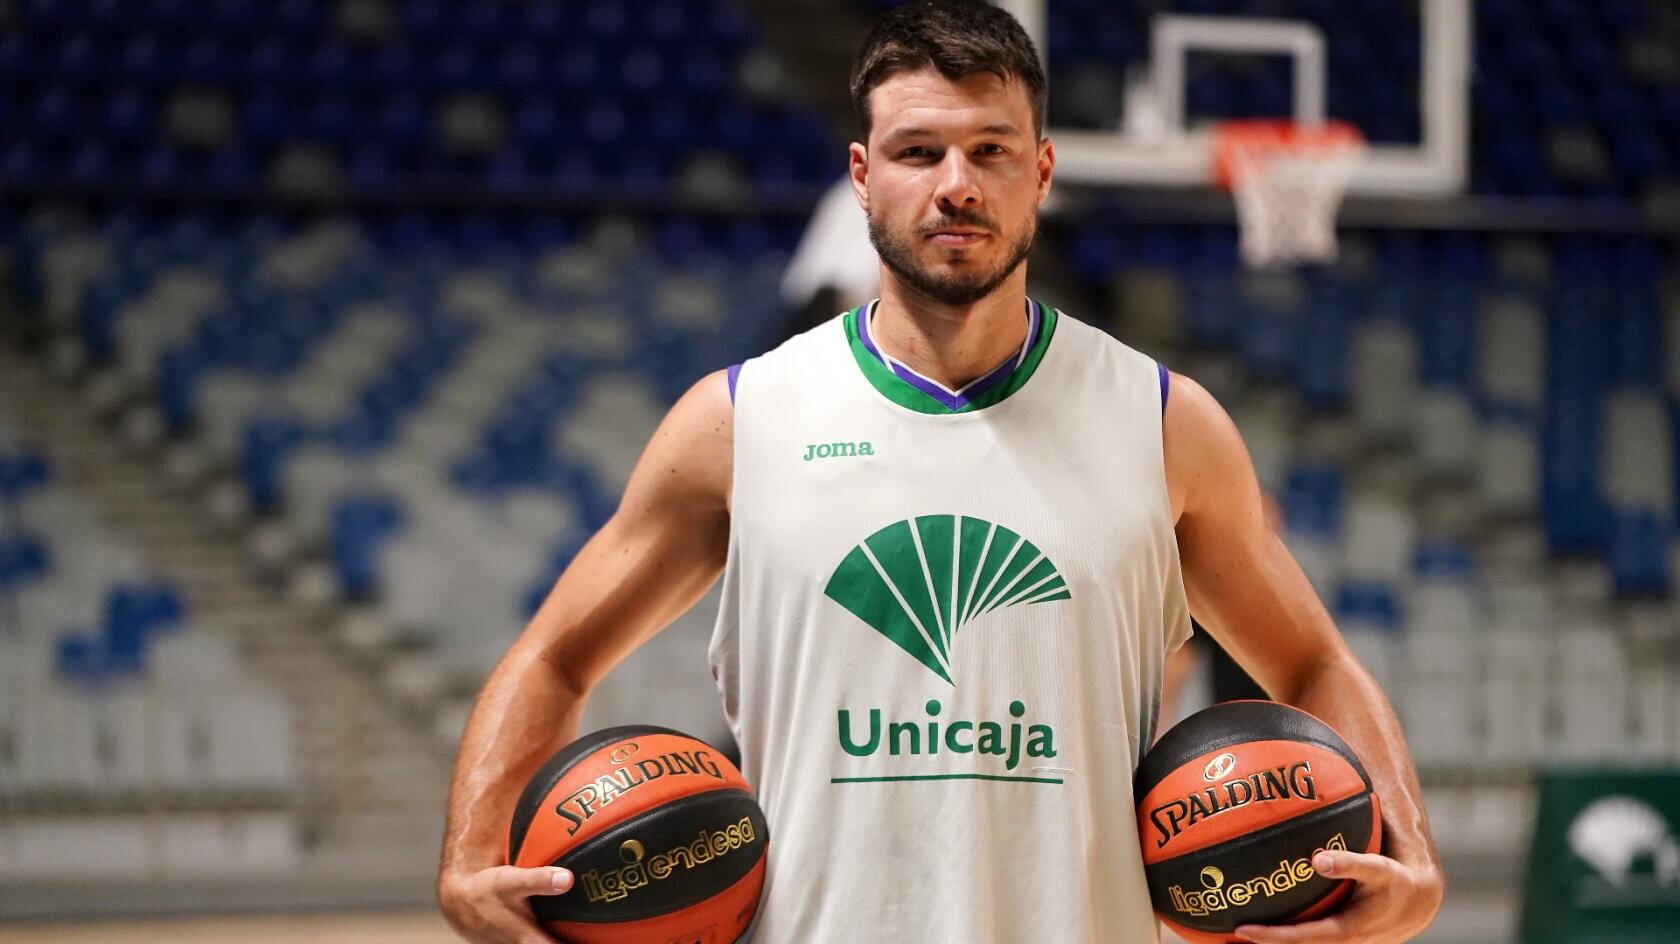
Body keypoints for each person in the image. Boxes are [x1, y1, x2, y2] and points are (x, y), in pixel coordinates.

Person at [436, 3, 1444, 942]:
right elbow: (555, 655)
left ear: (1040, 172)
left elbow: (1312, 664)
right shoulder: (736, 421)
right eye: (918, 151)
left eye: (990, 151)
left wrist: (1412, 858)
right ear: (862, 175)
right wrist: (470, 857)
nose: (956, 183)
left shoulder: (1166, 422)